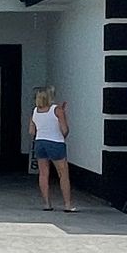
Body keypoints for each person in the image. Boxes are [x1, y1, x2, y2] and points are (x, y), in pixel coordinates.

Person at [28, 85, 76, 213]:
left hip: (40, 143)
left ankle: (47, 203)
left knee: (43, 174)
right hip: (55, 143)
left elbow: (31, 131)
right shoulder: (57, 110)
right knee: (63, 174)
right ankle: (67, 204)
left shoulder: (35, 111)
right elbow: (65, 130)